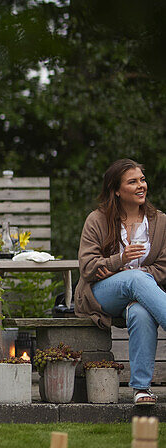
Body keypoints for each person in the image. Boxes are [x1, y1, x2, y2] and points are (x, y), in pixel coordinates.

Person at [76, 158, 166, 405]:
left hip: (143, 294)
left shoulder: (160, 221)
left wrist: (130, 274)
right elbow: (87, 267)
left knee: (141, 312)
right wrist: (119, 261)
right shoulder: (97, 219)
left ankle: (141, 389)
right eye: (133, 181)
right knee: (135, 278)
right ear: (116, 190)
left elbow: (164, 268)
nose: (141, 186)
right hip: (102, 294)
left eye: (143, 179)